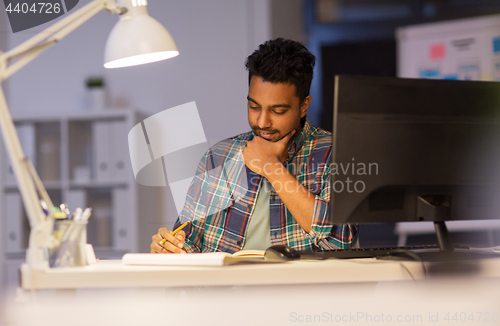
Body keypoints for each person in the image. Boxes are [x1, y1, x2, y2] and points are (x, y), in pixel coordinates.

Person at [150, 38, 358, 254]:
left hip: (299, 287)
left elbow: (341, 241)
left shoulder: (336, 152)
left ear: (304, 105)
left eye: (278, 111)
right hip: (225, 286)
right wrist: (169, 248)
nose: (262, 122)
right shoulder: (218, 157)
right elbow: (189, 240)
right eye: (254, 106)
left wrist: (272, 168)